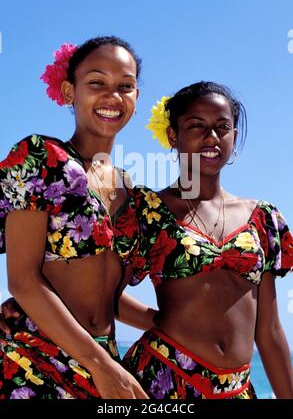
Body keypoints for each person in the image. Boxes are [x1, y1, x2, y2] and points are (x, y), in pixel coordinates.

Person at [0, 36, 151, 399]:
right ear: (69, 91)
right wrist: (99, 365)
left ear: (136, 97)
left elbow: (105, 294)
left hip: (103, 358)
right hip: (34, 356)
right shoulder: (40, 158)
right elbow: (23, 280)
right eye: (97, 82)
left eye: (125, 86)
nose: (112, 96)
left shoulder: (129, 190)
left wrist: (166, 324)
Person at [121, 81, 293, 399]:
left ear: (234, 137)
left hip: (237, 389)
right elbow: (103, 296)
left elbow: (268, 331)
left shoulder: (263, 218)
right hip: (163, 380)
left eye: (222, 127)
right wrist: (157, 320)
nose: (211, 137)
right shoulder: (148, 210)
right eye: (196, 125)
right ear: (174, 135)